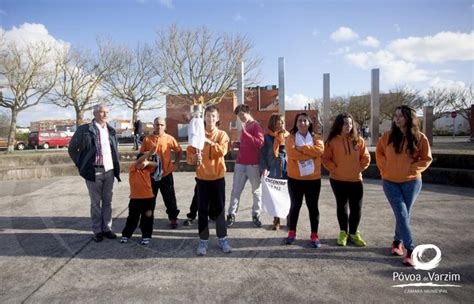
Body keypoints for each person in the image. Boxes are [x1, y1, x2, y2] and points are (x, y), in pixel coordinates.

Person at [376, 105, 432, 266]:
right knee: (401, 213)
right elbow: (379, 152)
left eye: (400, 116)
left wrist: (413, 168)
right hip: (390, 181)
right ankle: (411, 249)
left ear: (409, 118)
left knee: (404, 214)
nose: (397, 118)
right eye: (396, 116)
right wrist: (384, 166)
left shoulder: (420, 137)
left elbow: (426, 158)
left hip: (412, 182)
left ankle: (396, 242)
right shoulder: (387, 136)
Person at [68, 104, 121, 242]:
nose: (105, 115)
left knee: (108, 202)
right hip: (94, 171)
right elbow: (72, 149)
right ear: (95, 113)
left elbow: (114, 150)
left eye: (107, 112)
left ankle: (107, 228)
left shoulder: (111, 130)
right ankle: (97, 230)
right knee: (95, 204)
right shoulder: (85, 130)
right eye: (102, 112)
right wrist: (81, 164)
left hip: (109, 171)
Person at [187, 105, 232, 256]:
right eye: (207, 116)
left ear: (217, 118)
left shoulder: (222, 135)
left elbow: (222, 151)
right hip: (202, 179)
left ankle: (222, 238)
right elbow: (189, 158)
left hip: (218, 178)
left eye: (213, 116)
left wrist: (209, 142)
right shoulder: (196, 134)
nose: (210, 119)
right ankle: (203, 240)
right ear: (203, 117)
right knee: (202, 211)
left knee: (219, 210)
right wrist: (195, 157)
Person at [322, 113, 371, 247]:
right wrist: (335, 168)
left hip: (356, 180)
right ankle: (343, 232)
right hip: (338, 180)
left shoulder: (359, 140)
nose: (347, 126)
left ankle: (354, 233)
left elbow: (366, 157)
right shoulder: (332, 141)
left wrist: (359, 168)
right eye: (344, 123)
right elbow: (326, 159)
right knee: (342, 207)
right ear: (339, 125)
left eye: (350, 123)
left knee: (356, 208)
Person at [285, 113, 324, 248]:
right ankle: (292, 232)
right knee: (295, 206)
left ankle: (314, 235)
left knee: (313, 207)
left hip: (313, 179)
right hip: (295, 179)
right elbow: (291, 154)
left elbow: (319, 151)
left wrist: (301, 149)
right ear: (296, 124)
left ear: (309, 123)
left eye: (305, 121)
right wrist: (309, 154)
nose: (302, 123)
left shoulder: (317, 138)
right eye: (300, 121)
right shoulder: (290, 138)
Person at [226, 104, 264, 227]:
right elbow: (247, 143)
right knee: (235, 191)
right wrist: (238, 144)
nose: (241, 118)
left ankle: (255, 215)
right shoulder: (245, 126)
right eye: (239, 116)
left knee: (256, 191)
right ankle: (231, 215)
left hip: (253, 165)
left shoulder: (255, 125)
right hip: (240, 163)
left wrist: (246, 133)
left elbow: (260, 143)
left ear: (248, 112)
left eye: (242, 115)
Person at [140, 117, 181, 229]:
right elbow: (141, 155)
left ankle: (173, 219)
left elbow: (179, 151)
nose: (159, 127)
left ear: (165, 126)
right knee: (148, 200)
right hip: (151, 175)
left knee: (170, 199)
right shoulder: (147, 139)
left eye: (162, 125)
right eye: (157, 124)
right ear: (153, 125)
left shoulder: (169, 138)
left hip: (166, 174)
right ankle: (147, 221)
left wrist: (175, 164)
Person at [121, 149, 159, 245]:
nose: (142, 163)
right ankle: (126, 234)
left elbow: (156, 164)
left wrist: (147, 162)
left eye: (144, 162)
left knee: (147, 218)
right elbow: (138, 162)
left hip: (148, 198)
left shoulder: (147, 169)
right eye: (142, 161)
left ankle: (146, 236)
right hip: (135, 199)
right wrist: (148, 154)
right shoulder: (133, 168)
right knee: (132, 218)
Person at [259, 114, 289, 230]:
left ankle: (290, 219)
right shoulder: (267, 137)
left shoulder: (288, 136)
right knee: (275, 197)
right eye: (278, 122)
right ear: (272, 123)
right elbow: (262, 155)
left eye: (282, 122)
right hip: (273, 169)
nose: (280, 124)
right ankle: (276, 220)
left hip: (287, 170)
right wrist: (264, 167)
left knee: (287, 195)